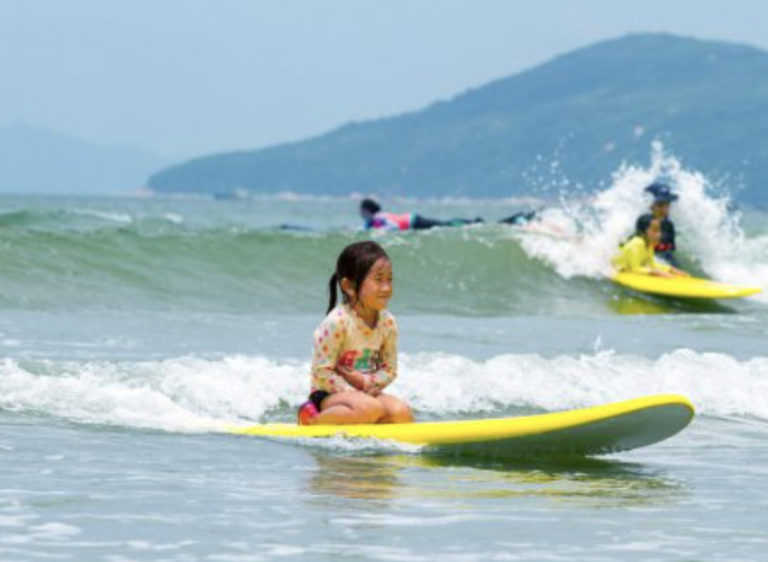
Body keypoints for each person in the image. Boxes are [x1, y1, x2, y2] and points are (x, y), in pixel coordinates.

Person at [297, 240, 414, 425]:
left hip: (366, 392)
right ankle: (311, 420)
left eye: (389, 279)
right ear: (349, 287)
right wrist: (352, 391)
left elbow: (390, 369)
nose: (387, 288)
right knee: (369, 408)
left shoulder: (388, 323)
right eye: (378, 279)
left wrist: (368, 383)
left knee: (402, 413)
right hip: (328, 396)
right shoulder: (337, 322)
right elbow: (322, 372)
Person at [613, 214, 688, 278]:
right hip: (620, 268)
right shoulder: (636, 244)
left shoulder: (648, 244)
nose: (659, 234)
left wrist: (671, 270)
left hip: (630, 268)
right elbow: (634, 269)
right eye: (655, 230)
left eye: (659, 230)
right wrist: (656, 273)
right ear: (643, 232)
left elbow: (652, 264)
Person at [360, 198, 481, 231]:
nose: (359, 213)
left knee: (445, 225)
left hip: (414, 221)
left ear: (366, 210)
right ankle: (472, 222)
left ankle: (473, 222)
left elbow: (393, 226)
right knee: (444, 224)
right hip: (412, 221)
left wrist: (383, 232)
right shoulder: (370, 222)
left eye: (361, 210)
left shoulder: (378, 218)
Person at [643, 183, 679, 266]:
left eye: (667, 206)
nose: (664, 210)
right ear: (651, 206)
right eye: (660, 206)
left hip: (666, 258)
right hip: (651, 259)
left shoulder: (669, 225)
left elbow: (671, 249)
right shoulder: (645, 221)